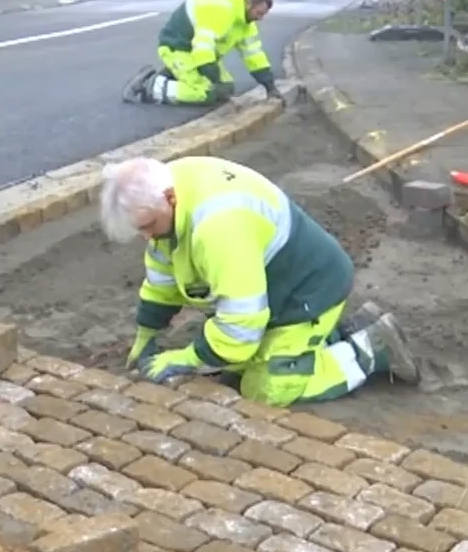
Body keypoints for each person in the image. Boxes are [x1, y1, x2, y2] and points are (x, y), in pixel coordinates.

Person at [99, 155, 417, 406]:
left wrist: (188, 358)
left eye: (149, 226)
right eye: (139, 229)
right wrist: (146, 333)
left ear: (169, 198)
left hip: (307, 292)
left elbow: (241, 324)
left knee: (265, 388)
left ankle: (373, 348)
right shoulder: (166, 189)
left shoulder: (217, 228)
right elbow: (162, 279)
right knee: (235, 364)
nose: (146, 236)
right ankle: (338, 335)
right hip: (272, 288)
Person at [122, 0, 280, 106]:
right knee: (206, 93)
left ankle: (173, 74)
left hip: (195, 52)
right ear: (248, 3)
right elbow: (203, 48)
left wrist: (269, 86)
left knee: (226, 88)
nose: (260, 19)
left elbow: (253, 55)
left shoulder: (246, 23)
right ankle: (149, 86)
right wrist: (213, 79)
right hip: (177, 47)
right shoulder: (223, 11)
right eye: (259, 13)